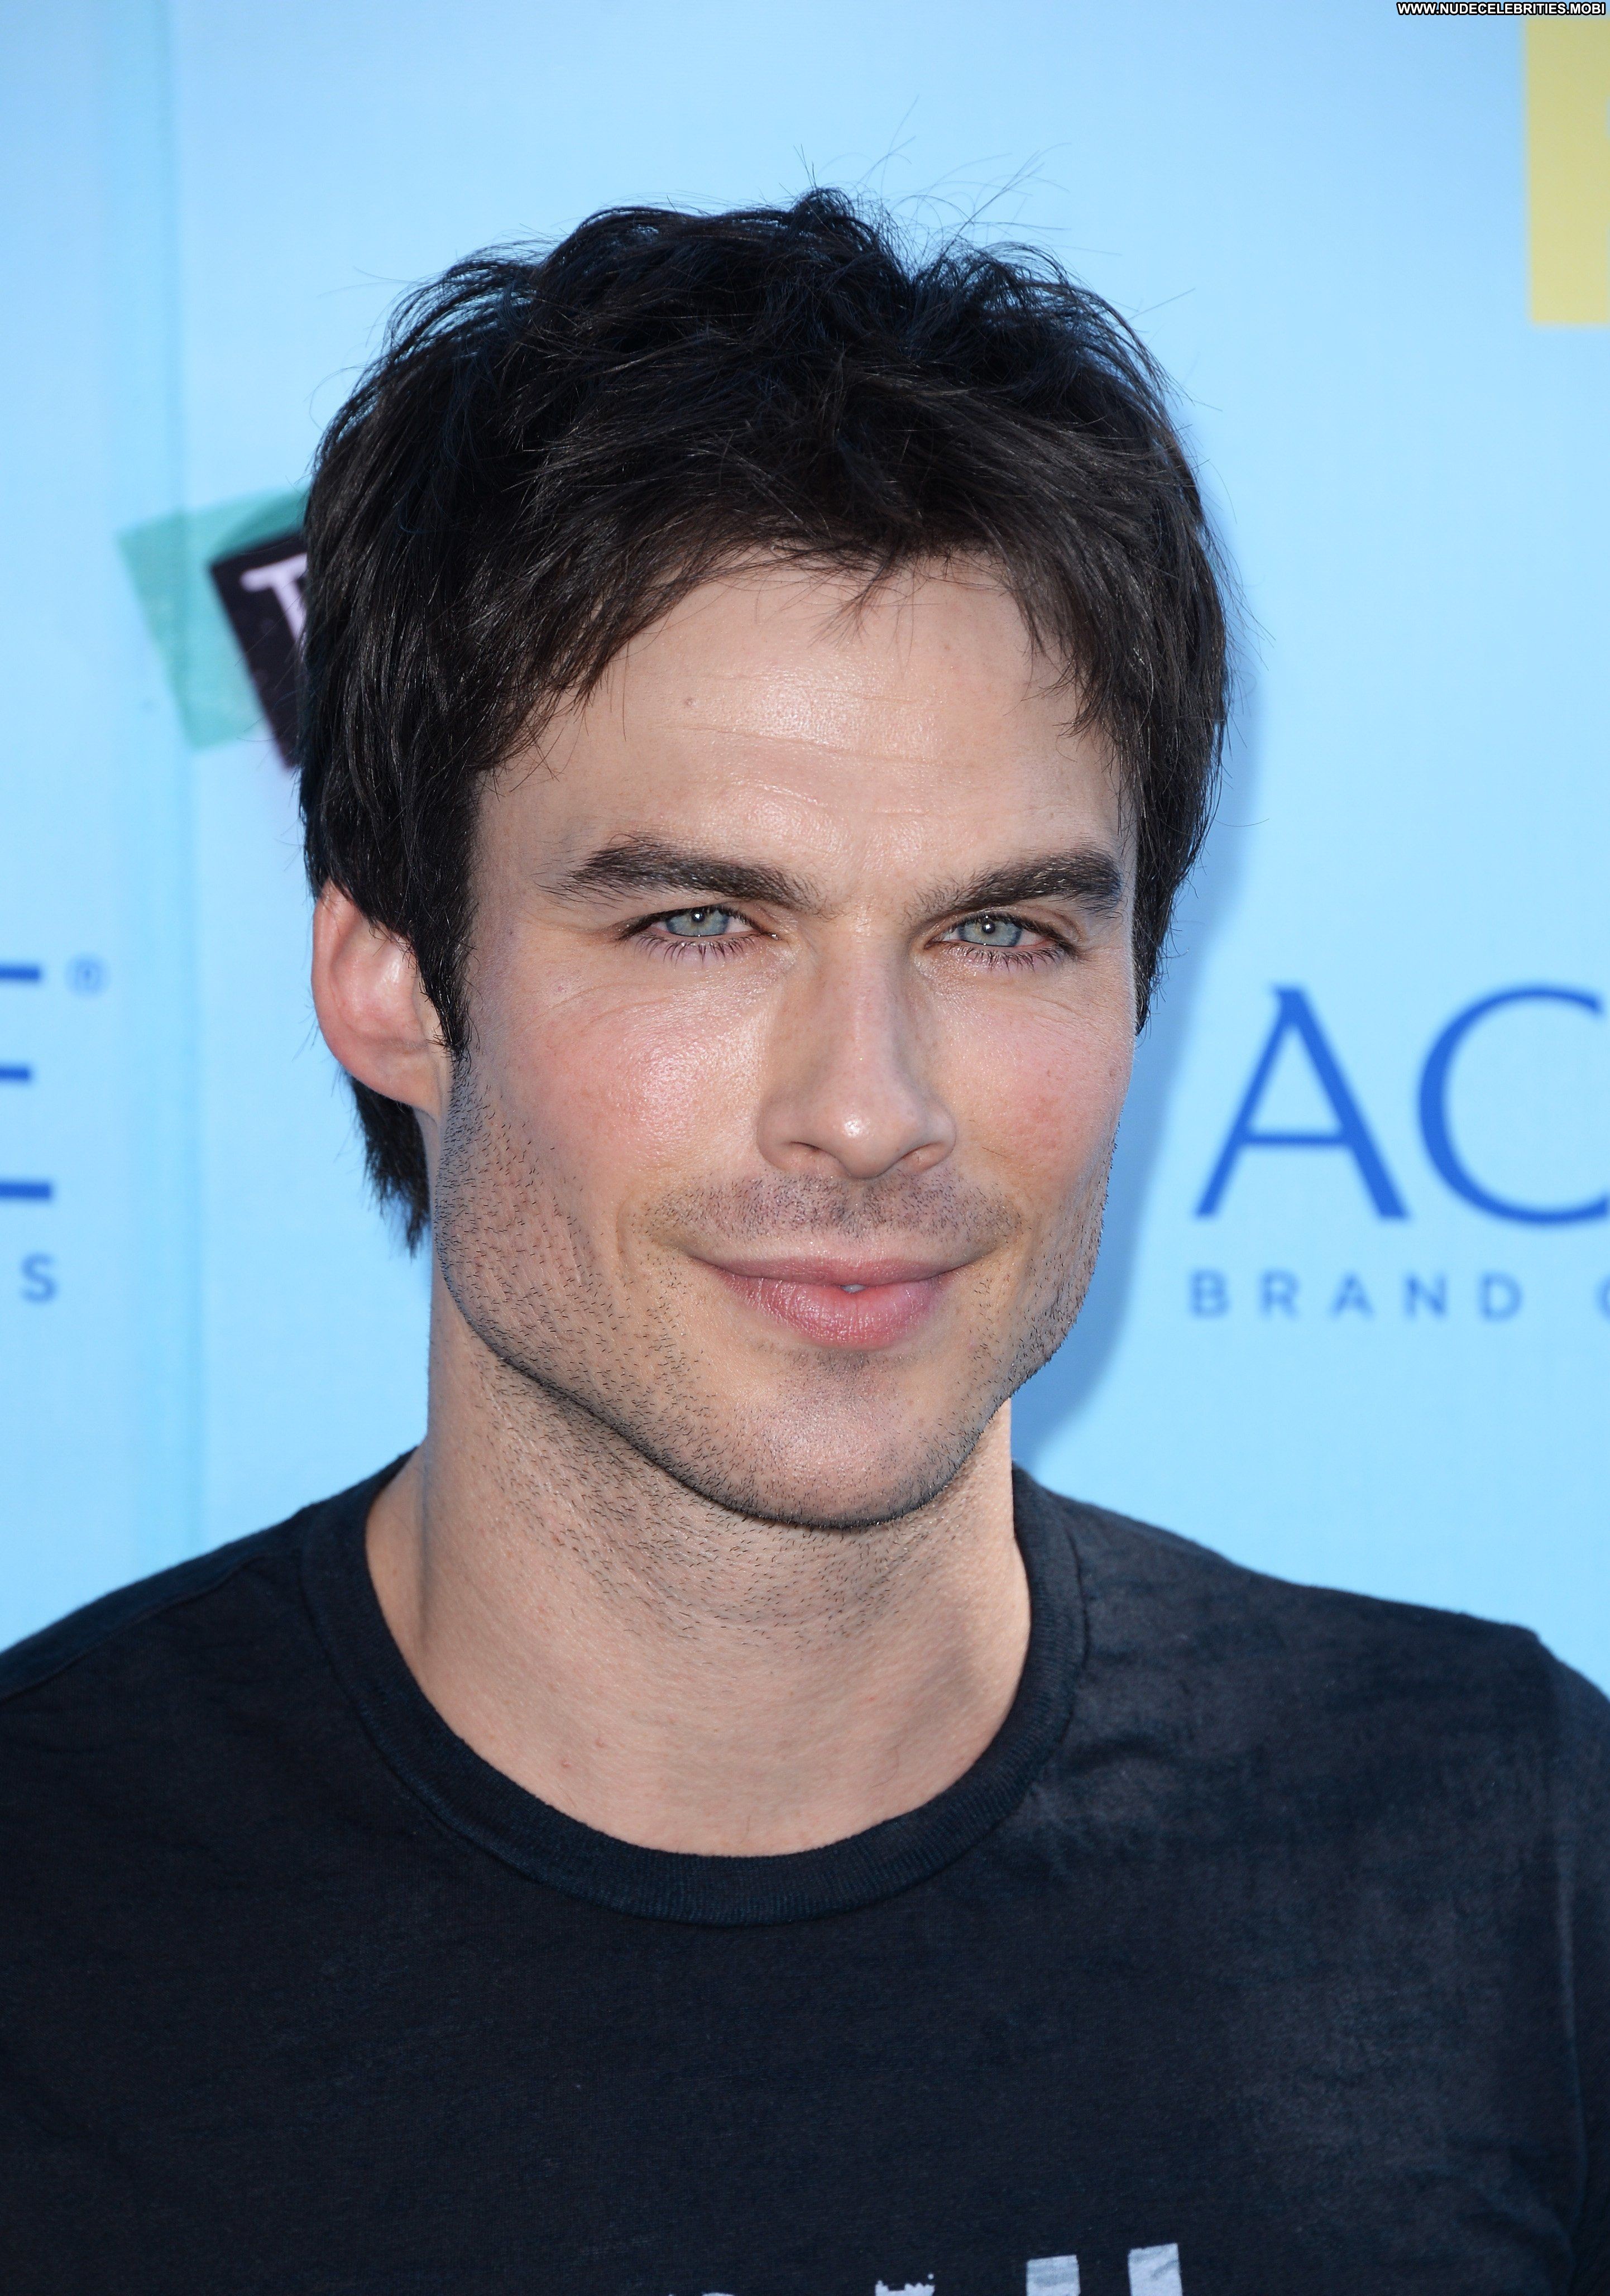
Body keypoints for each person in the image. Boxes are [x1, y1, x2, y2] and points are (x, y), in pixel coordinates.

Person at [1, 193, 1604, 2296]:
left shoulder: (1504, 1855)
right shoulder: (47, 1911)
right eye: (700, 922)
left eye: (1000, 930)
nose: (868, 1107)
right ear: (389, 978)